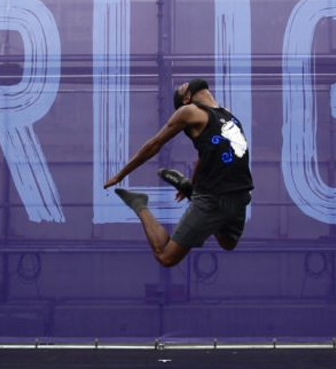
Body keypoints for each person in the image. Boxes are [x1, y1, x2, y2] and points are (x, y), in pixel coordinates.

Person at [102, 78, 253, 267]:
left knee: (228, 243)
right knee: (166, 257)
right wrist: (121, 175)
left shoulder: (226, 113)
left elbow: (205, 155)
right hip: (213, 199)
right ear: (186, 99)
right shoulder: (190, 112)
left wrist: (192, 184)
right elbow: (154, 144)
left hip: (240, 194)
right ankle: (139, 204)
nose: (182, 84)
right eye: (180, 90)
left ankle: (189, 189)